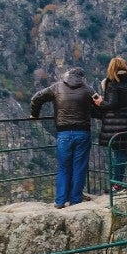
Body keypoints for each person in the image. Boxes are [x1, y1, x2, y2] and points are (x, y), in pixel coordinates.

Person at [29, 66, 101, 208]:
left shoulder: (56, 87)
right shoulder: (88, 89)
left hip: (63, 133)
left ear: (67, 75)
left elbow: (36, 98)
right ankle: (75, 201)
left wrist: (34, 115)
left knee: (63, 167)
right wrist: (88, 111)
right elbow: (100, 106)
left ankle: (60, 201)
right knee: (79, 167)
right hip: (82, 132)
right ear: (82, 77)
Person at [97, 56, 127, 191]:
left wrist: (101, 102)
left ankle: (116, 185)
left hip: (118, 126)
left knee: (119, 156)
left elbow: (112, 104)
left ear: (112, 68)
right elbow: (124, 101)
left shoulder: (112, 83)